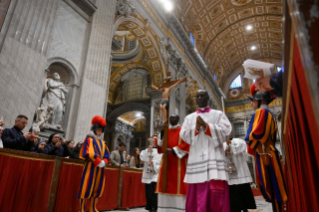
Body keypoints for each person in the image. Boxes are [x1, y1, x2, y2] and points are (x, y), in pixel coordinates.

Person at [180, 90, 232, 212]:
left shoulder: (218, 114)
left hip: (214, 157)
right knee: (196, 190)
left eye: (202, 96)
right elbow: (183, 134)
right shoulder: (189, 118)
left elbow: (226, 131)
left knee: (215, 192)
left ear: (207, 98)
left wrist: (207, 126)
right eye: (197, 96)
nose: (199, 98)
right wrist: (197, 128)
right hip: (196, 157)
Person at [245, 84, 287, 210]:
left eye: (252, 100)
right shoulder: (266, 113)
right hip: (265, 152)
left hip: (265, 153)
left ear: (259, 100)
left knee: (272, 185)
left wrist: (248, 140)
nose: (251, 103)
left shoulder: (261, 112)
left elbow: (258, 133)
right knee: (272, 185)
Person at [155, 114, 190, 212]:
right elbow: (159, 145)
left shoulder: (183, 130)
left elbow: (187, 144)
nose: (172, 119)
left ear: (178, 119)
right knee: (164, 184)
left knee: (179, 184)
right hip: (166, 163)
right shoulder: (166, 131)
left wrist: (173, 150)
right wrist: (162, 132)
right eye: (171, 118)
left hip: (179, 162)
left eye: (174, 118)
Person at [77, 116, 110, 212]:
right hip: (90, 166)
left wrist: (105, 162)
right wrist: (98, 162)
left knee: (97, 187)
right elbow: (88, 153)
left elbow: (107, 155)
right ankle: (82, 208)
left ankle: (92, 208)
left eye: (101, 129)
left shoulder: (103, 143)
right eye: (98, 129)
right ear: (95, 130)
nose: (100, 131)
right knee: (86, 186)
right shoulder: (89, 139)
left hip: (100, 168)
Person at [223, 132, 256, 212]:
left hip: (240, 170)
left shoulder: (238, 141)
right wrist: (224, 150)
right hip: (228, 173)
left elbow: (242, 147)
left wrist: (229, 145)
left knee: (243, 193)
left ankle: (245, 208)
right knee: (232, 198)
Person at [140, 141, 162, 212]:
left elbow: (161, 161)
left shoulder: (160, 151)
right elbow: (142, 158)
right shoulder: (147, 150)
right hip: (148, 173)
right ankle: (149, 206)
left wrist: (154, 162)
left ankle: (154, 207)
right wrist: (147, 151)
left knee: (154, 190)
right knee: (148, 191)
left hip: (155, 173)